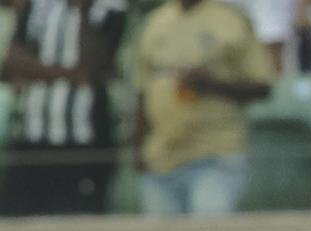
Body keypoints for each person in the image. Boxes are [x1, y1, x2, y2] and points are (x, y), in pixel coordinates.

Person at [133, 0, 275, 216]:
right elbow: (142, 91)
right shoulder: (156, 21)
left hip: (214, 153)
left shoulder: (230, 19)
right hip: (161, 156)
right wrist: (139, 148)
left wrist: (211, 85)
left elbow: (262, 87)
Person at [0, 0, 126, 216]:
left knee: (77, 223)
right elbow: (13, 61)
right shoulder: (36, 6)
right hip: (32, 136)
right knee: (18, 220)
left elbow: (93, 65)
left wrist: (82, 10)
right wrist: (68, 74)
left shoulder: (109, 8)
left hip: (83, 140)